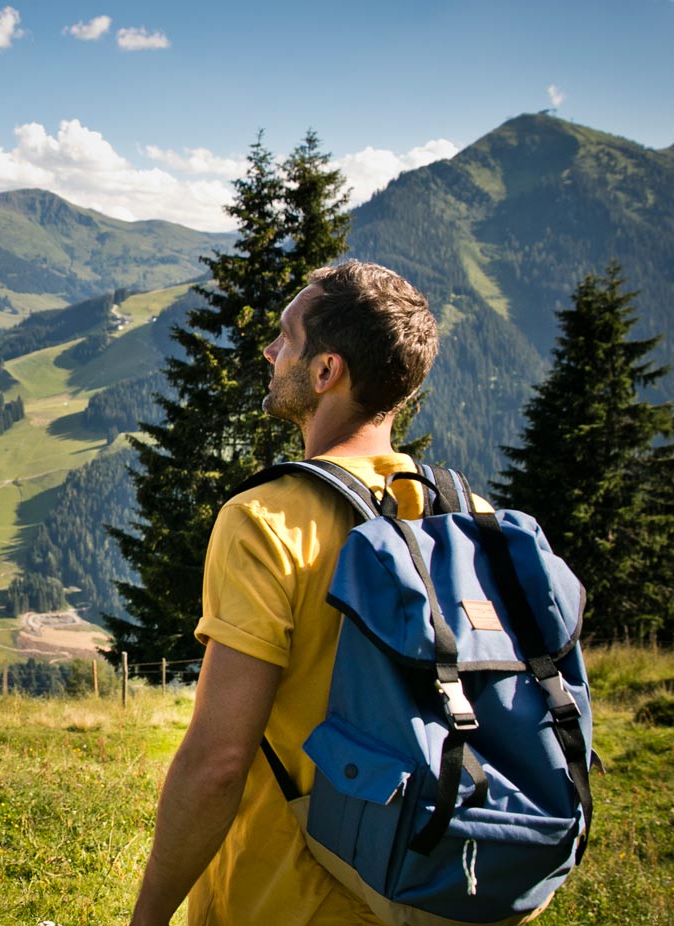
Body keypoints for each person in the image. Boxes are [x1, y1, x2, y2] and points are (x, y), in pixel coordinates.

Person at [129, 261, 443, 926]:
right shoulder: (452, 512)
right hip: (416, 889)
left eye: (285, 338)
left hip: (285, 898)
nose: (269, 352)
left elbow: (218, 762)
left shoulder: (267, 520)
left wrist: (148, 916)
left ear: (326, 372)